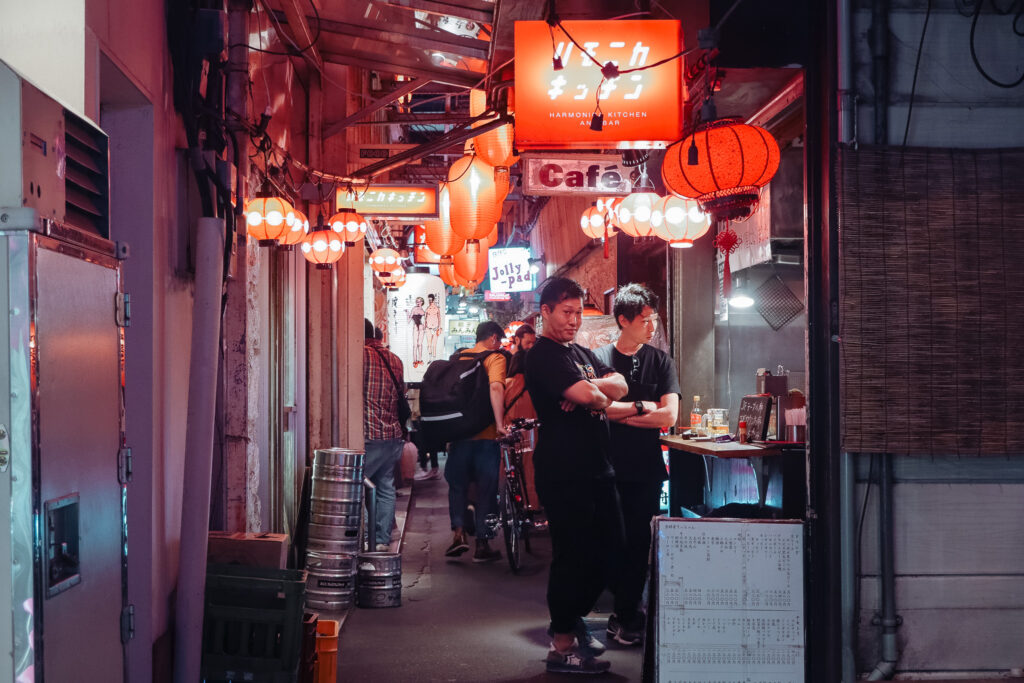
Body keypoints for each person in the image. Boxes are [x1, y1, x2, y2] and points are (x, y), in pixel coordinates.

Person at [525, 277, 629, 675]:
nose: (574, 320)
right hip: (565, 471)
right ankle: (562, 645)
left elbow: (616, 385)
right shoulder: (543, 355)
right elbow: (594, 399)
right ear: (546, 312)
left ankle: (569, 618)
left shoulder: (582, 353)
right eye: (566, 312)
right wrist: (592, 394)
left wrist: (592, 389)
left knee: (613, 551)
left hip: (599, 469)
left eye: (578, 313)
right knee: (572, 556)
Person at [594, 284, 681, 646]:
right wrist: (645, 408)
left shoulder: (660, 361)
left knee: (638, 540)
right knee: (608, 540)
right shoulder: (598, 358)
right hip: (603, 467)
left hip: (645, 468)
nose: (652, 326)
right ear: (623, 320)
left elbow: (671, 415)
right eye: (645, 320)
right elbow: (599, 407)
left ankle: (628, 612)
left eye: (655, 319)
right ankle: (616, 607)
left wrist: (625, 413)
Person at [444, 320, 508, 563]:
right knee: (486, 490)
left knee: (457, 487)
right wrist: (500, 424)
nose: (500, 344)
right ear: (493, 338)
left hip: (458, 435)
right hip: (485, 435)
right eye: (499, 340)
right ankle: (482, 544)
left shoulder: (457, 358)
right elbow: (495, 388)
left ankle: (458, 534)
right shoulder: (495, 357)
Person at [363, 318, 406, 551]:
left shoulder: (360, 355)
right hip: (392, 435)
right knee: (385, 487)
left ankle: (362, 539)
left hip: (369, 433)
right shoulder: (395, 359)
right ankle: (381, 541)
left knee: (357, 487)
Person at [408, 297, 426, 368]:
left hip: (421, 327)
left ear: (422, 302)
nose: (418, 303)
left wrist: (425, 326)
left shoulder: (423, 311)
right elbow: (409, 320)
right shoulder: (414, 309)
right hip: (415, 326)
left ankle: (420, 360)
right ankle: (415, 361)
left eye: (419, 301)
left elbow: (425, 320)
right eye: (417, 301)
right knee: (415, 345)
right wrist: (407, 313)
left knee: (420, 344)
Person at [424, 293, 442, 360]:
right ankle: (430, 358)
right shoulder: (427, 309)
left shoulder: (437, 309)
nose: (430, 301)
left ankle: (434, 358)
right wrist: (425, 327)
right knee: (429, 344)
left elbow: (439, 318)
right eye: (429, 300)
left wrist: (439, 328)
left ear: (433, 300)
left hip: (435, 328)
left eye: (431, 300)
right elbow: (425, 319)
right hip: (428, 328)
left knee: (434, 345)